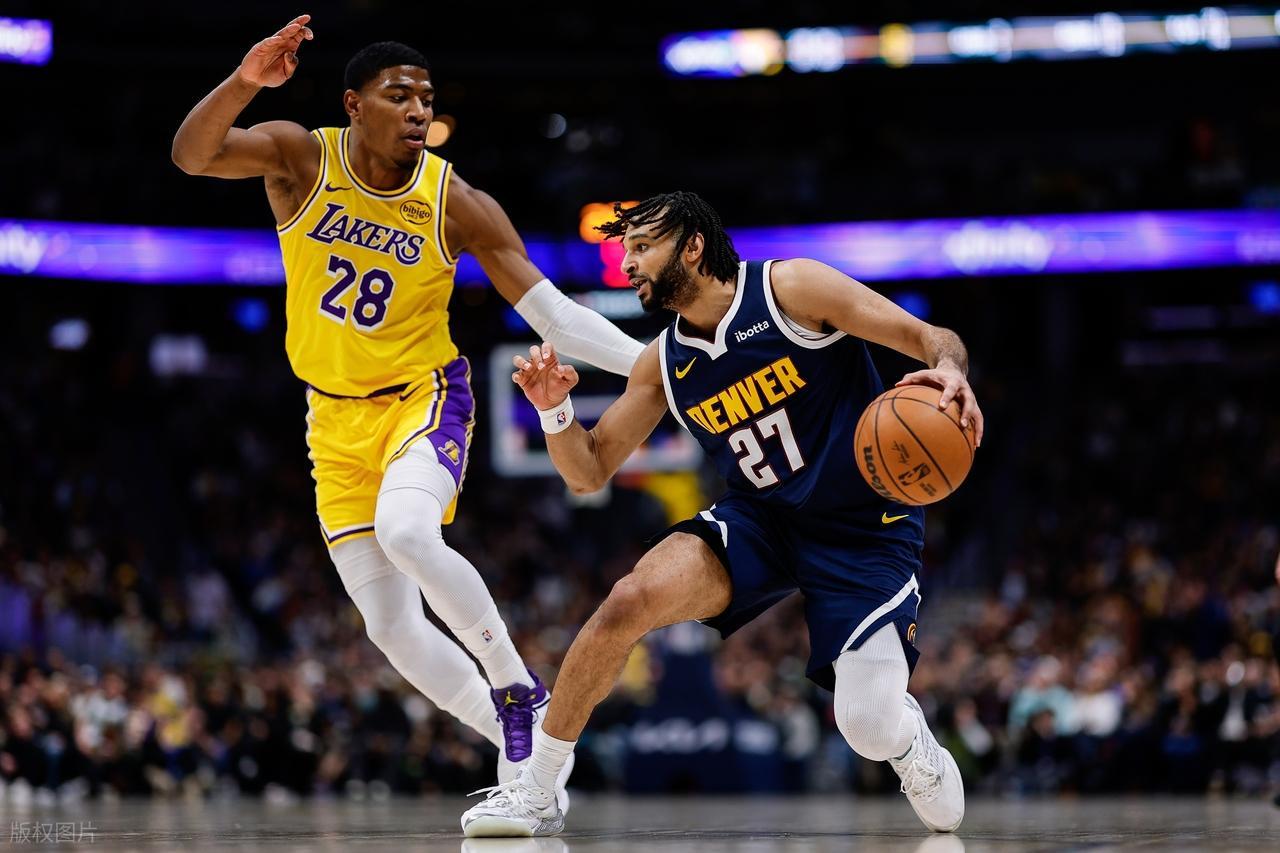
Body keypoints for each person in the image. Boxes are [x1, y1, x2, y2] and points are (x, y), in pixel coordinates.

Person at [171, 15, 644, 796]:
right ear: (354, 105)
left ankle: (516, 683)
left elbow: (556, 317)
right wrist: (245, 82)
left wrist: (657, 366)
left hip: (422, 398)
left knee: (408, 532)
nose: (419, 109)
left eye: (427, 97)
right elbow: (192, 155)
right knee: (391, 628)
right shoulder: (301, 156)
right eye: (399, 96)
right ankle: (526, 753)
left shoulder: (454, 201)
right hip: (331, 419)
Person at [462, 192, 984, 837]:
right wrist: (554, 411)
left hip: (863, 528)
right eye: (626, 250)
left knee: (866, 726)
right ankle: (537, 790)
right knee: (627, 600)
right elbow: (587, 470)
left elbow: (929, 337)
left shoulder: (792, 290)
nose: (628, 263)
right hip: (760, 521)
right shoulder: (663, 362)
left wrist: (950, 371)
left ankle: (908, 741)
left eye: (642, 246)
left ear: (693, 247)